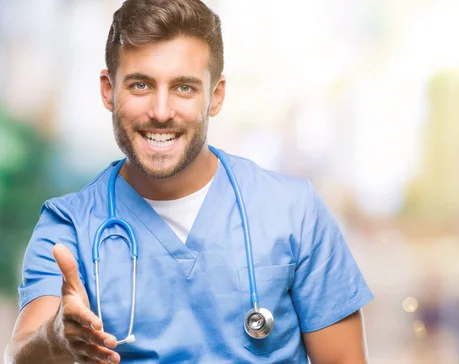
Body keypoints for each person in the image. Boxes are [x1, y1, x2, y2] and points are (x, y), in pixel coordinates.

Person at [4, 0, 373, 363]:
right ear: (107, 90)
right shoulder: (68, 227)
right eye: (140, 85)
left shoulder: (294, 211)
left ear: (216, 95)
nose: (161, 112)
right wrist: (56, 337)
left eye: (184, 88)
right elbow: (20, 352)